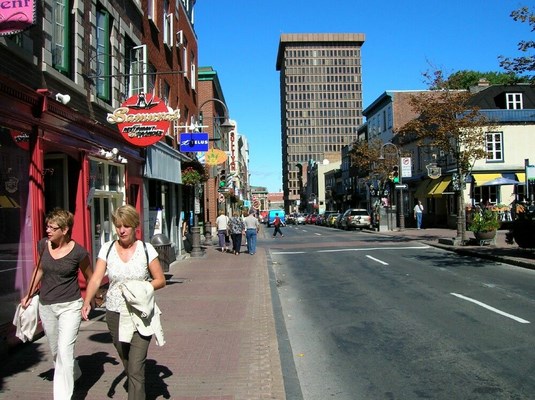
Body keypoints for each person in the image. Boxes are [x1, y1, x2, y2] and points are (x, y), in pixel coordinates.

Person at [82, 205, 166, 400]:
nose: (122, 230)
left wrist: (142, 288)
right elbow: (95, 278)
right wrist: (87, 301)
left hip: (140, 314)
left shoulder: (146, 249)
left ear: (134, 226)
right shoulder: (108, 248)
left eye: (126, 226)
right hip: (114, 314)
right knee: (128, 363)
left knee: (136, 368)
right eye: (118, 226)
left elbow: (160, 280)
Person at [21, 208, 93, 399]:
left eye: (53, 227)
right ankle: (74, 372)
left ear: (65, 229)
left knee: (65, 351)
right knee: (56, 351)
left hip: (70, 306)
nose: (48, 230)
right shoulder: (43, 245)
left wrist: (89, 300)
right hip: (47, 306)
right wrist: (28, 294)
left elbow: (90, 276)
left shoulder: (78, 252)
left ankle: (63, 396)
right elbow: (39, 269)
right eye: (47, 226)